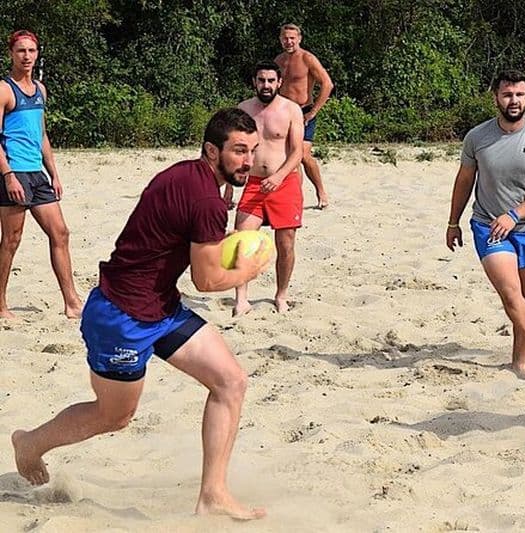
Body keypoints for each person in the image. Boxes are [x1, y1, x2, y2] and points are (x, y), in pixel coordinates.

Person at [12, 108, 270, 520]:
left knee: (230, 381)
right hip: (121, 316)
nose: (248, 160)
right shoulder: (206, 198)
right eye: (239, 151)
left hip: (160, 306)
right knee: (114, 415)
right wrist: (250, 269)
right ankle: (30, 443)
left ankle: (212, 494)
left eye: (252, 150)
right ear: (211, 150)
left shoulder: (191, 176)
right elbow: (207, 280)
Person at [446, 70, 525, 380]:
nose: (514, 100)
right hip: (488, 225)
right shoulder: (477, 137)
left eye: (519, 95)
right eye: (507, 94)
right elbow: (465, 180)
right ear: (496, 98)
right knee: (511, 295)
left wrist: (515, 214)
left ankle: (519, 362)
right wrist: (452, 221)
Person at [0, 30, 82, 319]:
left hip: (37, 173)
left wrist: (54, 174)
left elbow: (42, 135)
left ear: (37, 54)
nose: (26, 56)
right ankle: (0, 304)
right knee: (11, 239)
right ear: (11, 53)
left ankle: (72, 302)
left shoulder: (40, 89)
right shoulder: (4, 90)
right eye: (21, 51)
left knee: (60, 232)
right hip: (14, 172)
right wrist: (8, 175)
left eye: (31, 51)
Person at [229, 61, 304, 315]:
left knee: (286, 244)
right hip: (253, 184)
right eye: (261, 80)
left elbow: (297, 153)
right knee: (242, 240)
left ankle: (281, 295)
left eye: (271, 81)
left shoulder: (291, 110)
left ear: (279, 83)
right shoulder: (243, 110)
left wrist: (280, 176)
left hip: (285, 182)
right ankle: (241, 298)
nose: (266, 85)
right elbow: (234, 149)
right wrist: (229, 186)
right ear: (254, 82)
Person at [275, 23, 333, 209]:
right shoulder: (278, 61)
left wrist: (314, 111)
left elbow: (327, 84)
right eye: (285, 38)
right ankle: (295, 196)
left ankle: (320, 190)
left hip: (304, 111)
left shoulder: (307, 58)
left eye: (292, 38)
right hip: (284, 112)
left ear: (299, 39)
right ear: (280, 39)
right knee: (290, 156)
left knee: (304, 155)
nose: (289, 41)